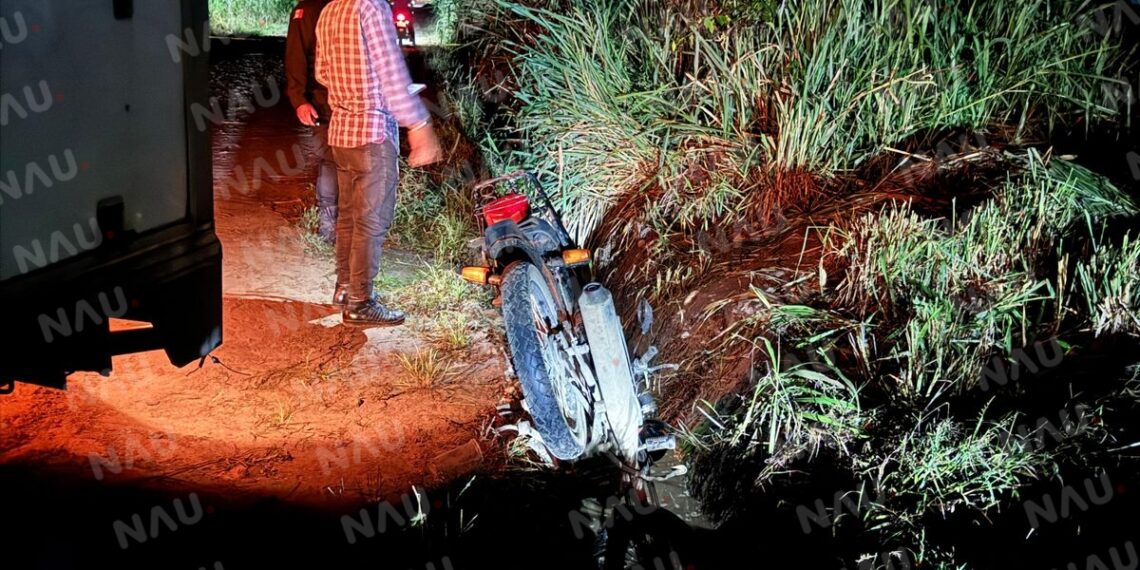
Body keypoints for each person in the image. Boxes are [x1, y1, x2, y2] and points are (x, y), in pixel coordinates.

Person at [315, 0, 443, 326]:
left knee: (349, 217)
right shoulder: (372, 8)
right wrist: (418, 125)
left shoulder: (331, 9)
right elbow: (391, 75)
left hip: (341, 133)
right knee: (371, 223)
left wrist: (353, 92)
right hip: (372, 133)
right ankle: (360, 302)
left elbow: (323, 72)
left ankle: (345, 288)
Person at [286, 0, 338, 245]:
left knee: (342, 162)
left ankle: (341, 230)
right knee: (331, 160)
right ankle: (329, 229)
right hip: (321, 99)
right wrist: (299, 99)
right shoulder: (307, 9)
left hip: (351, 101)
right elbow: (295, 56)